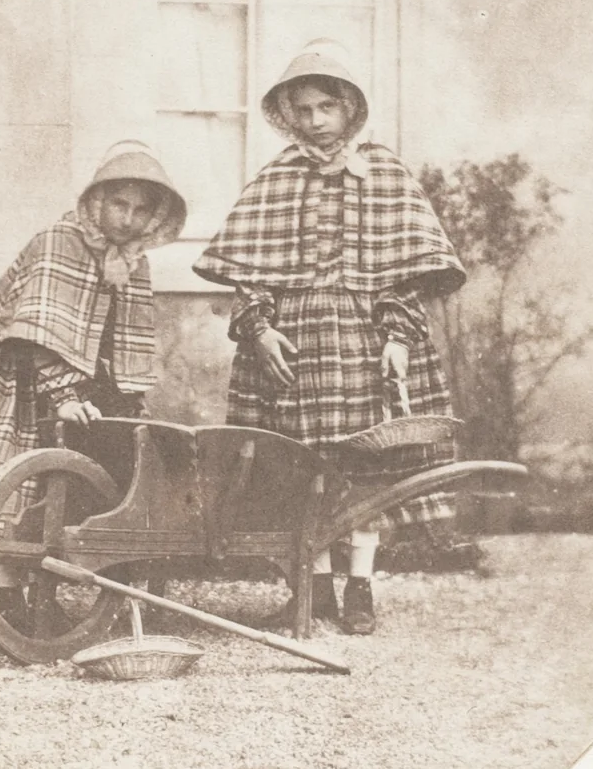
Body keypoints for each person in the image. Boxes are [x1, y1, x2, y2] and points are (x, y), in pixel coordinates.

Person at [192, 40, 466, 635]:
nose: (316, 121)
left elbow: (404, 276)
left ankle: (361, 588)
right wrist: (260, 331)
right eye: (304, 110)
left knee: (365, 468)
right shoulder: (277, 178)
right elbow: (250, 275)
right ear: (288, 116)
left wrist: (397, 338)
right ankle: (313, 589)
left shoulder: (385, 173)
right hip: (293, 351)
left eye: (326, 107)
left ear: (349, 110)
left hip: (364, 347)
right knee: (302, 469)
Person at [0, 141, 186, 613]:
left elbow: (122, 336)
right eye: (119, 204)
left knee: (72, 475)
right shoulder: (60, 241)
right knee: (17, 476)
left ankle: (49, 587)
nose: (127, 218)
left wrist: (124, 393)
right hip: (15, 367)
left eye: (140, 209)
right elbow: (37, 329)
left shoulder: (133, 260)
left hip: (74, 372)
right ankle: (10, 592)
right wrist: (61, 392)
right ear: (97, 201)